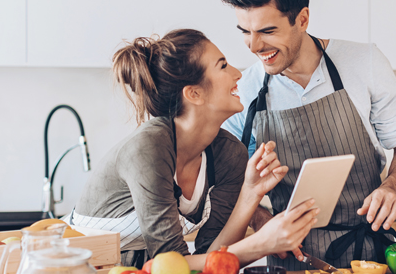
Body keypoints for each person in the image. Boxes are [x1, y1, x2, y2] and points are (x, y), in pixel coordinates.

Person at [221, 0, 396, 270]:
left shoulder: (363, 61)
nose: (253, 46)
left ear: (302, 19)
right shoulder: (247, 86)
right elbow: (226, 177)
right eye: (245, 31)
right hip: (289, 259)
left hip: (368, 255)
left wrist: (393, 187)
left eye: (267, 31)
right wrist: (261, 220)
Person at [67, 29, 318, 270]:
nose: (237, 74)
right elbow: (171, 262)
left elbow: (212, 259)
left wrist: (250, 193)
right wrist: (260, 244)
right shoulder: (148, 148)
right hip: (75, 265)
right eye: (222, 66)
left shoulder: (230, 154)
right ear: (194, 93)